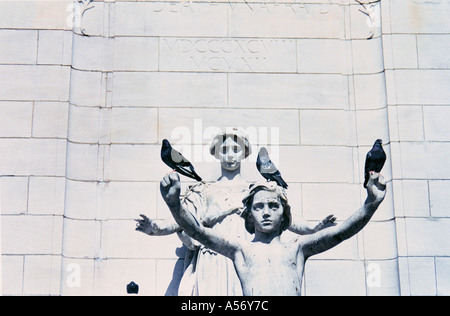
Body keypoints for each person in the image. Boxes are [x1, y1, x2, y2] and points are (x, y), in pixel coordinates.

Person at [136, 129, 336, 295]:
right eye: (224, 150)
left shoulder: (256, 190)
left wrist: (314, 227)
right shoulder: (204, 190)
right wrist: (156, 227)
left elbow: (285, 218)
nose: (230, 154)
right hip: (214, 261)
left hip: (248, 259)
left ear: (244, 153)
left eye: (235, 149)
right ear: (216, 153)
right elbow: (182, 217)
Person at [160, 170, 387, 296]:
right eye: (258, 207)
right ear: (249, 215)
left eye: (273, 206)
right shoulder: (242, 249)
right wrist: (174, 205)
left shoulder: (297, 248)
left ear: (284, 213)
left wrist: (371, 204)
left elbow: (341, 232)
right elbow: (198, 232)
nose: (266, 212)